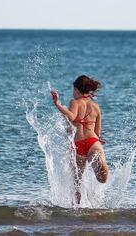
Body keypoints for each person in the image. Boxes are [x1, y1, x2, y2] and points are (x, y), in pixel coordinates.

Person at [50, 75, 109, 204]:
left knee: (77, 180)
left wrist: (57, 104)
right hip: (93, 141)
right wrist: (98, 139)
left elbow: (71, 117)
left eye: (73, 90)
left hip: (78, 144)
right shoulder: (96, 106)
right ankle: (99, 163)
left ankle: (76, 208)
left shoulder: (74, 102)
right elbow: (97, 131)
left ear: (76, 90)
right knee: (101, 177)